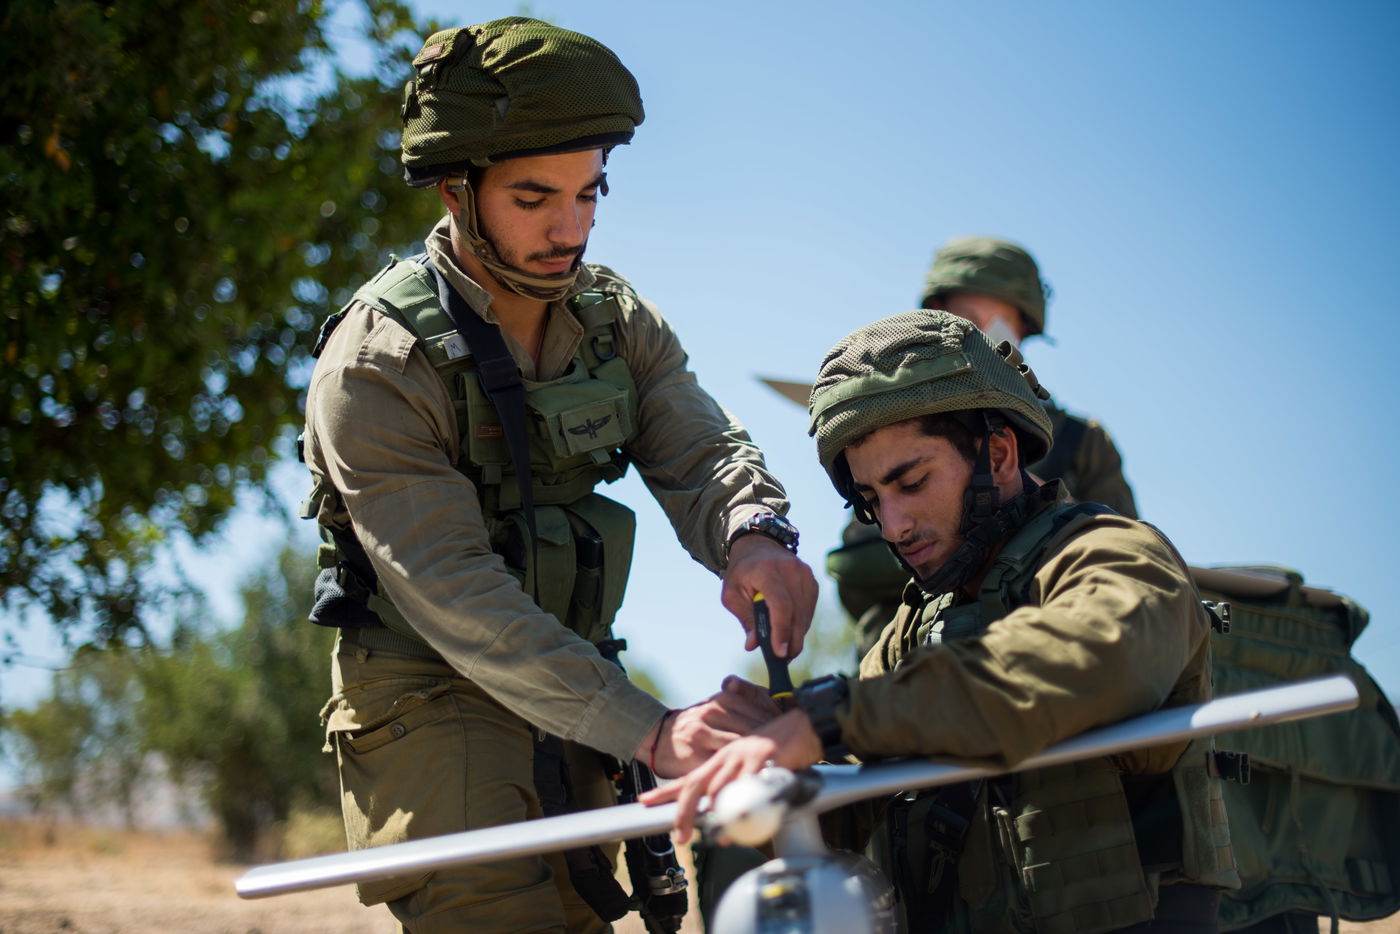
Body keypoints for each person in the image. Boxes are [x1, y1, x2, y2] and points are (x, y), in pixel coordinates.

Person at [300, 18, 815, 933]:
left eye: (590, 193)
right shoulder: (378, 365)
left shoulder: (614, 318)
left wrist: (755, 537)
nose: (570, 228)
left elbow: (699, 449)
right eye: (535, 197)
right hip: (431, 693)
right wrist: (652, 732)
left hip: (578, 683)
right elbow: (455, 593)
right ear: (458, 194)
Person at [647, 310, 1239, 933]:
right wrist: (777, 770)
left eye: (913, 481)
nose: (895, 525)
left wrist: (831, 718)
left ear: (1001, 454)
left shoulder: (1113, 555)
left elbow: (1087, 661)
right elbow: (861, 812)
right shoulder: (913, 628)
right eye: (873, 500)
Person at [829, 236, 1138, 655]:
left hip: (1039, 653)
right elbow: (853, 568)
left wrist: (1016, 503)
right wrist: (961, 517)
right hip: (909, 664)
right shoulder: (897, 431)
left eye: (998, 328)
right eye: (964, 319)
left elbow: (1122, 563)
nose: (978, 339)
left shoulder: (1081, 441)